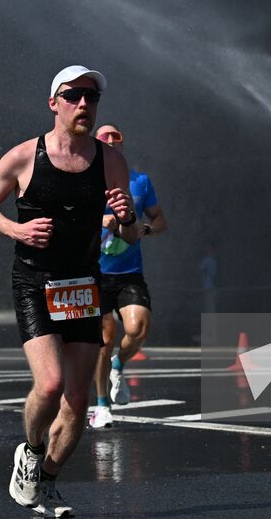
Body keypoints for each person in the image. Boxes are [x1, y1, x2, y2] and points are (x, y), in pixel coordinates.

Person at [0, 65, 138, 518]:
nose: (84, 104)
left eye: (91, 97)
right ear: (54, 103)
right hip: (34, 281)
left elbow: (134, 233)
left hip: (83, 284)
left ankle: (45, 482)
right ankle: (28, 450)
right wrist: (16, 229)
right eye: (74, 96)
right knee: (49, 384)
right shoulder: (26, 156)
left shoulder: (111, 160)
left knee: (79, 402)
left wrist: (125, 217)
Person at [88, 123, 168, 430]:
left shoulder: (140, 181)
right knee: (104, 338)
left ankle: (118, 366)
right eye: (104, 137)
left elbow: (160, 220)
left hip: (129, 272)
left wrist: (144, 229)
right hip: (94, 272)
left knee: (138, 328)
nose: (110, 140)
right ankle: (100, 404)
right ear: (95, 144)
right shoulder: (84, 180)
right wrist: (101, 219)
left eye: (116, 137)